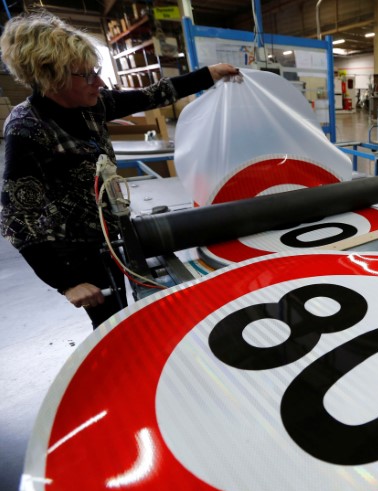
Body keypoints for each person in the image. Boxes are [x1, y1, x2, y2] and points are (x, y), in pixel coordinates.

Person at [0, 12, 240, 328]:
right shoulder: (26, 129)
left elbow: (150, 95)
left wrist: (208, 75)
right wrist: (67, 282)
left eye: (96, 71)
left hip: (113, 231)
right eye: (86, 75)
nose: (98, 82)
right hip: (78, 251)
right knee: (112, 321)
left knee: (138, 306)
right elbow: (20, 216)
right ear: (51, 77)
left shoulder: (92, 105)